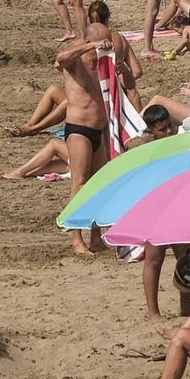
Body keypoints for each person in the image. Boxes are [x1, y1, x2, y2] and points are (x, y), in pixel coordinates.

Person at [55, 37, 111, 256]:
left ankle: (96, 237)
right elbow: (60, 58)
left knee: (98, 184)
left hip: (100, 128)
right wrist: (89, 45)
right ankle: (76, 238)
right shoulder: (76, 59)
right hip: (79, 129)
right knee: (79, 184)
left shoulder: (103, 61)